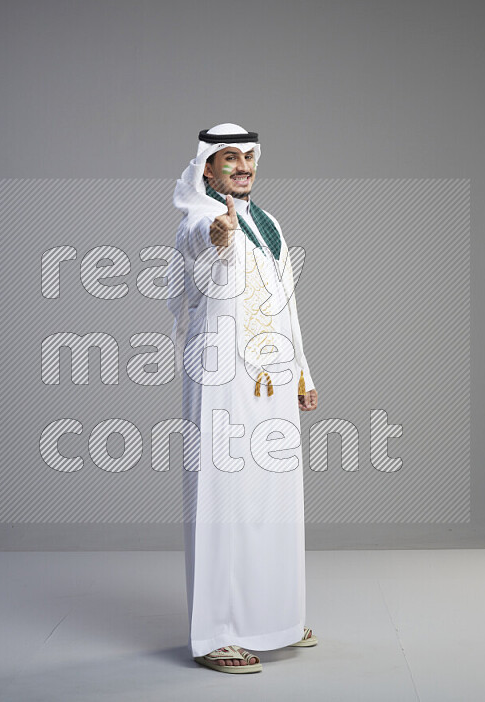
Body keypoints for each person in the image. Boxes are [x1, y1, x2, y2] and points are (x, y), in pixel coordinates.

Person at [167, 123, 319, 673]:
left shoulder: (270, 223)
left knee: (273, 497)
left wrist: (303, 371)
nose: (243, 166)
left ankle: (273, 615)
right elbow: (196, 248)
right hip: (221, 379)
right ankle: (217, 634)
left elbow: (286, 302)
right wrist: (218, 238)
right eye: (229, 158)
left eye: (248, 157)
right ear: (207, 168)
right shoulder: (202, 218)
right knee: (222, 500)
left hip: (272, 377)